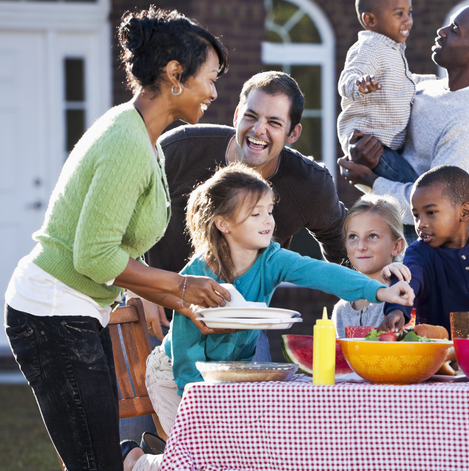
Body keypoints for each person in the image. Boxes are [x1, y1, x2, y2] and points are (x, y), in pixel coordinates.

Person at [4, 6, 232, 471]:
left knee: (100, 458)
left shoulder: (142, 138)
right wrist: (180, 285)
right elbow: (95, 255)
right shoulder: (127, 141)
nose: (213, 91)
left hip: (72, 312)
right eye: (208, 78)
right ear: (174, 74)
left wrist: (179, 300)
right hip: (53, 314)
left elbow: (117, 253)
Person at [141, 163, 415, 440]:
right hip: (177, 374)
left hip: (229, 375)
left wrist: (379, 292)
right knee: (192, 454)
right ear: (224, 224)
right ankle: (135, 460)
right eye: (255, 214)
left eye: (269, 211)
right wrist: (196, 397)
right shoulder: (198, 274)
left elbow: (322, 272)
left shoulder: (272, 259)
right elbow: (187, 347)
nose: (268, 221)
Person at [141, 71, 349, 353]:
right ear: (237, 115)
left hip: (243, 326)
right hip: (162, 315)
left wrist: (377, 296)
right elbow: (120, 216)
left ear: (293, 133)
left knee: (253, 396)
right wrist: (138, 288)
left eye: (274, 122)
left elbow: (346, 250)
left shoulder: (310, 184)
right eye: (251, 116)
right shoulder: (180, 148)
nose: (259, 130)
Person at [338, 4, 469, 243]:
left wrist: (369, 180)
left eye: (454, 30)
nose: (441, 31)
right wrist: (359, 151)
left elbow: (440, 204)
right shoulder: (421, 86)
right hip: (396, 236)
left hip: (440, 257)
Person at [379, 165, 469, 335]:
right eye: (416, 215)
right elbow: (409, 278)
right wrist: (396, 310)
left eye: (430, 212)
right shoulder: (420, 252)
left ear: (464, 212)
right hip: (437, 352)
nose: (420, 223)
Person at [337, 0, 435, 184]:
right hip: (370, 143)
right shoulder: (370, 47)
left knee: (411, 183)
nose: (407, 20)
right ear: (371, 20)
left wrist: (432, 82)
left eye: (409, 13)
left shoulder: (393, 50)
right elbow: (348, 77)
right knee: (412, 186)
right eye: (399, 14)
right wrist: (359, 84)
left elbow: (401, 81)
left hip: (388, 141)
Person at [332, 194, 409, 338]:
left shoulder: (404, 298)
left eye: (372, 236)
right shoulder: (341, 309)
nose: (360, 246)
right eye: (353, 237)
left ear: (397, 245)